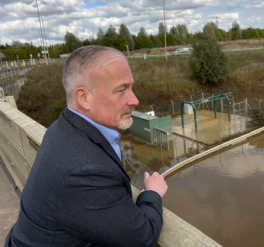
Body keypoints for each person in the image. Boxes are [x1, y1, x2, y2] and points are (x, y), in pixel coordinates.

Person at [5, 45, 168, 247]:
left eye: (131, 87)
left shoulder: (62, 128)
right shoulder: (84, 170)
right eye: (121, 90)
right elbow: (142, 238)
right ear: (84, 98)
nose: (134, 99)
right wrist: (151, 193)